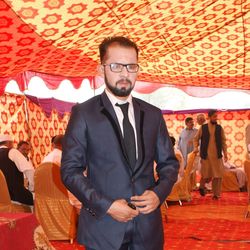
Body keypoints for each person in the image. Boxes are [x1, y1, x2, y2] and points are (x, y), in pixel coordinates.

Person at [61, 36, 179, 250]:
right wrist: (107, 205)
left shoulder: (153, 115)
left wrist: (158, 193)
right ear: (101, 69)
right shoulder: (84, 114)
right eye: (116, 66)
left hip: (147, 228)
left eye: (131, 66)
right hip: (103, 228)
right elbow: (70, 171)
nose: (125, 74)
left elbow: (169, 164)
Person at [193, 109, 228, 200]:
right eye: (214, 116)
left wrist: (226, 153)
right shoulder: (203, 128)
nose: (216, 118)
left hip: (217, 156)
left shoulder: (219, 128)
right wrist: (196, 147)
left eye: (216, 116)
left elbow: (224, 142)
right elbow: (195, 139)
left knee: (218, 175)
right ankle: (201, 186)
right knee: (205, 174)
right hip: (206, 156)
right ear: (209, 117)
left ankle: (216, 194)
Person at [0, 134, 34, 205]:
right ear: (9, 143)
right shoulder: (12, 151)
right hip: (16, 197)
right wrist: (32, 188)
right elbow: (29, 170)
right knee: (39, 199)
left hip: (2, 198)